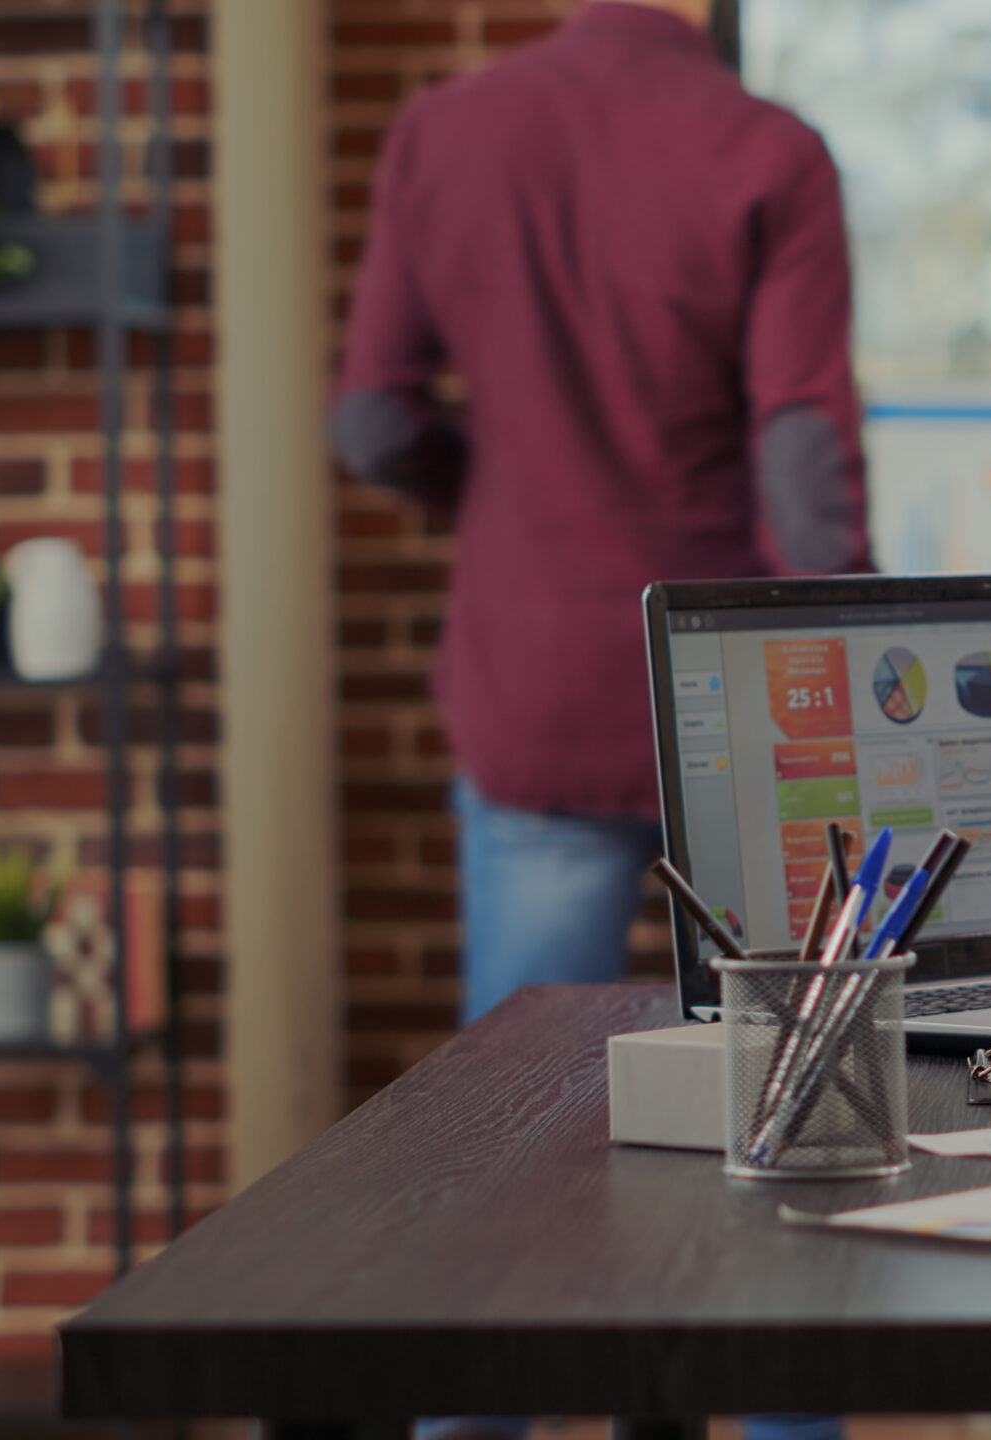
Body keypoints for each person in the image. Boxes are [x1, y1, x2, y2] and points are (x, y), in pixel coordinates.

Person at [331, 0, 870, 1027]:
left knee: (518, 1095)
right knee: (791, 1075)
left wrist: (492, 495)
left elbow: (372, 425)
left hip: (537, 684)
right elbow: (801, 456)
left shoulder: (445, 131)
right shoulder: (769, 149)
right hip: (737, 694)